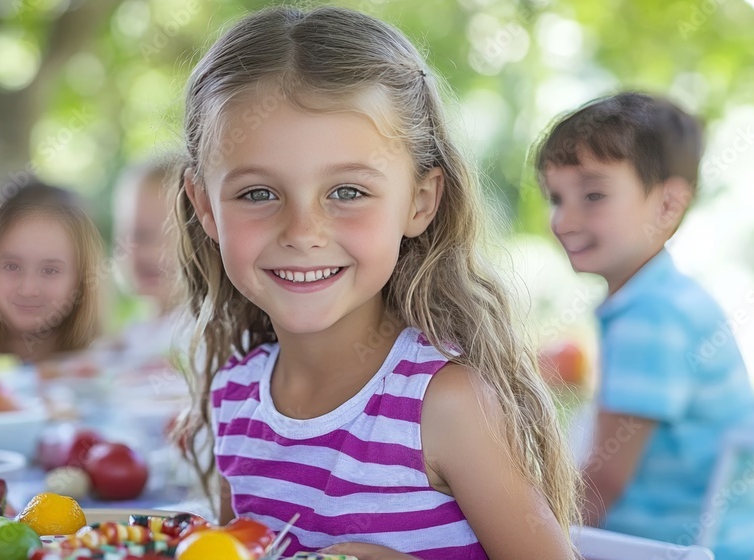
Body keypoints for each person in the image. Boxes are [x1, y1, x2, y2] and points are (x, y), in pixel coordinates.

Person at [173, 6, 578, 559]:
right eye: (258, 194)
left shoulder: (445, 405)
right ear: (206, 209)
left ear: (419, 201)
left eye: (347, 192)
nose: (303, 232)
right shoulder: (234, 398)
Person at [533, 92, 754, 560]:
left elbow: (602, 484)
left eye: (593, 195)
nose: (564, 219)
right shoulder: (665, 298)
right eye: (557, 198)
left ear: (667, 205)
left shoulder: (651, 316)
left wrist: (518, 525)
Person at [0, 182, 103, 363]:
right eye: (12, 266)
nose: (28, 289)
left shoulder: (108, 370)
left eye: (50, 270)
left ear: (82, 278)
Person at [112, 153, 190, 371]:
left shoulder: (201, 331)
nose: (152, 253)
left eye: (171, 236)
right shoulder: (134, 332)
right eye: (139, 235)